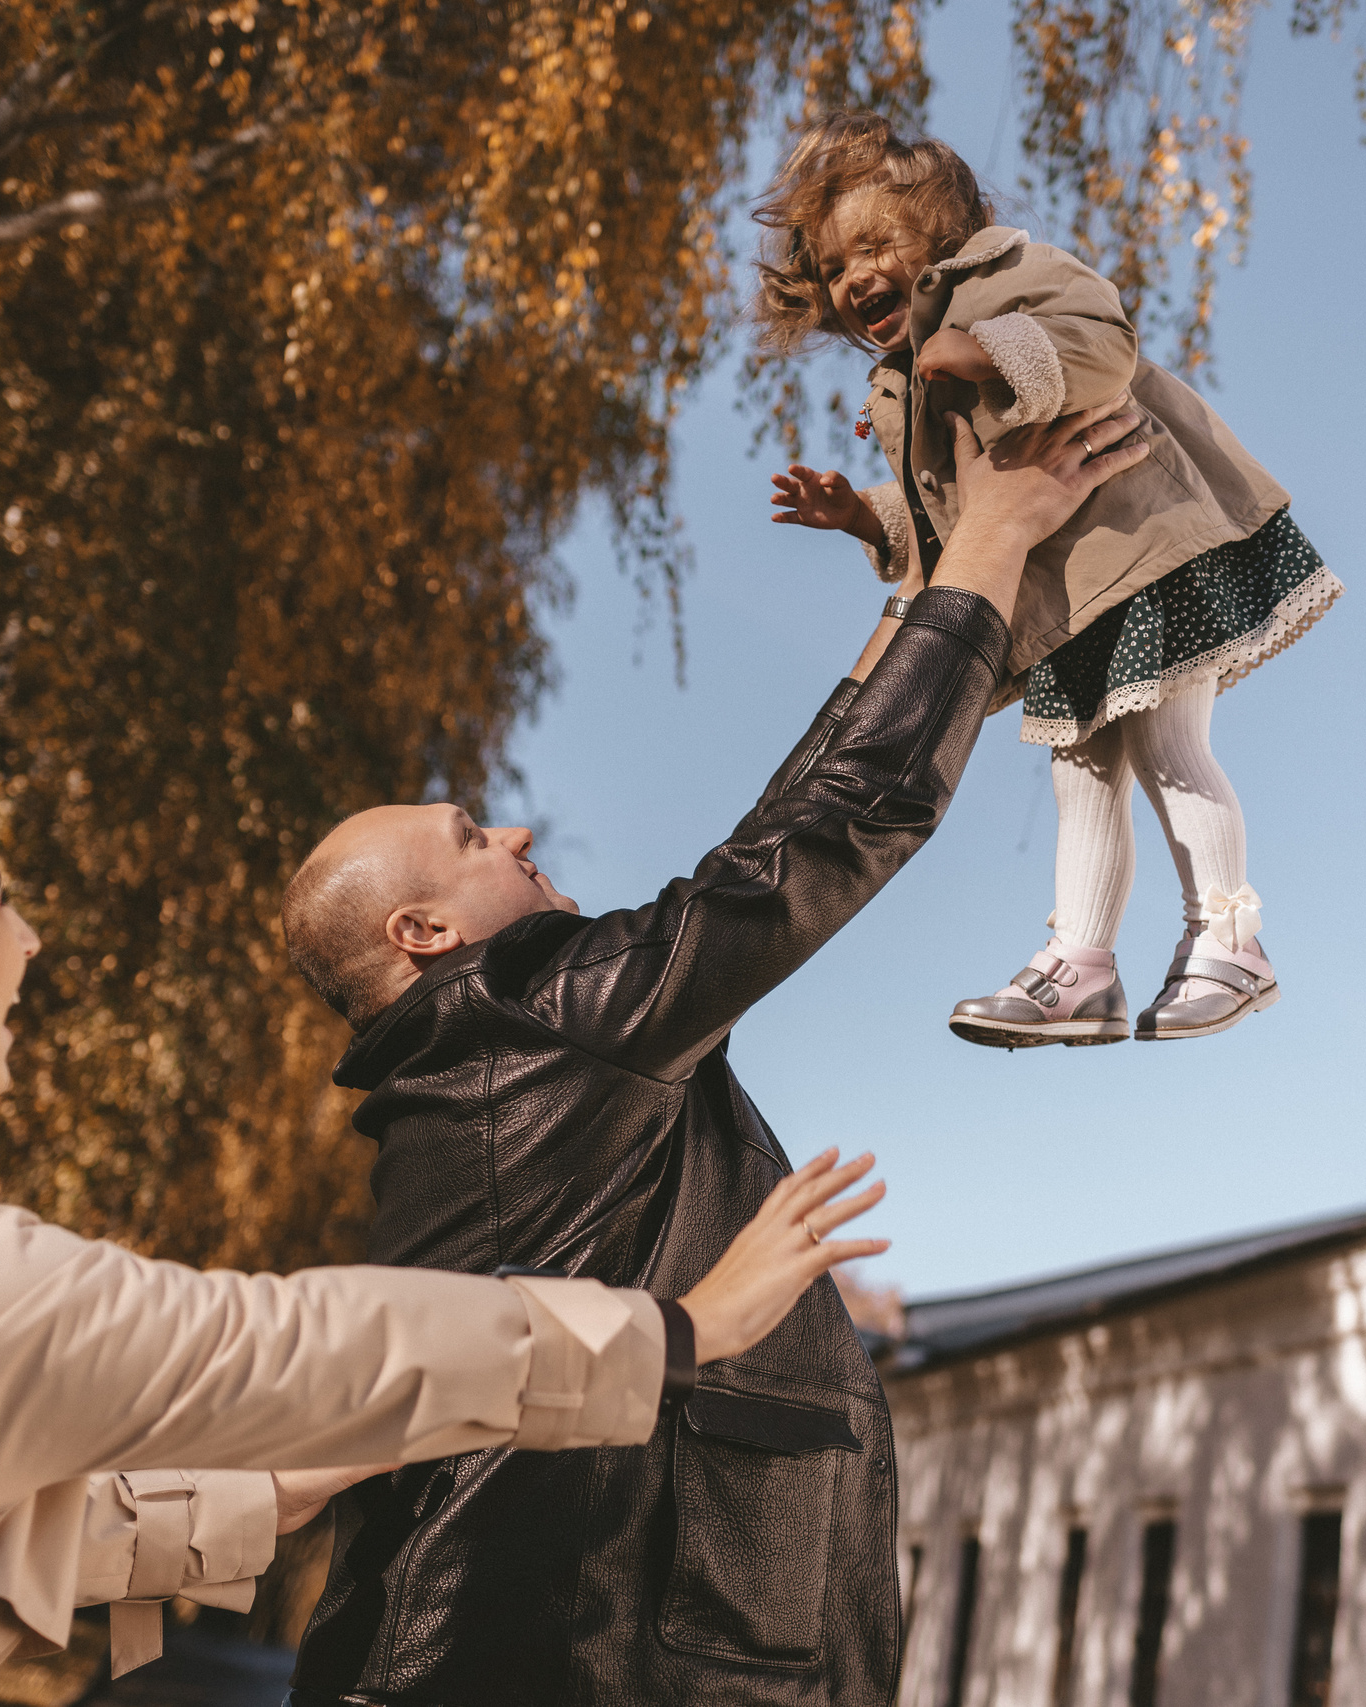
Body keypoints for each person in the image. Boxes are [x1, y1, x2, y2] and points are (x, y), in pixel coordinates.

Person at [0, 777, 886, 1707]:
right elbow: (268, 1343)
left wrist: (299, 1478)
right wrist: (672, 1330)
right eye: (1, 906)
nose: (30, 944)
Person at [279, 396, 1148, 1706]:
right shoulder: (526, 1015)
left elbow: (777, 835)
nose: (513, 834)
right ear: (424, 932)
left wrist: (928, 591)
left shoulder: (488, 1060)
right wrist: (991, 543)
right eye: (469, 838)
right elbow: (810, 844)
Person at [758, 111, 1346, 1047]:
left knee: (1167, 745)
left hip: (1145, 551)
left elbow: (1102, 344)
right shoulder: (901, 381)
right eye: (834, 267)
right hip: (1069, 600)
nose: (854, 276)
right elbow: (962, 507)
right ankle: (1082, 966)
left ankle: (1231, 940)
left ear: (943, 234)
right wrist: (865, 515)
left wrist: (990, 350)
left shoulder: (1007, 274)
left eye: (874, 246)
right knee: (1081, 775)